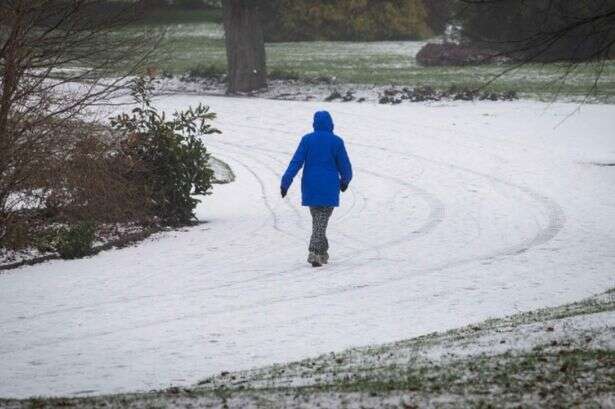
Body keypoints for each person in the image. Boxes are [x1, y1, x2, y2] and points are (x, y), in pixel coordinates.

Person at [281, 111, 353, 267]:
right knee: (321, 222)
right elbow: (345, 165)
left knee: (319, 222)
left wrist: (285, 182)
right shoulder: (336, 142)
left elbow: (296, 162)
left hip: (310, 187)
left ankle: (323, 252)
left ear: (314, 124)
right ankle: (314, 252)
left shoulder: (307, 140)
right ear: (331, 124)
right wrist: (345, 181)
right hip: (329, 188)